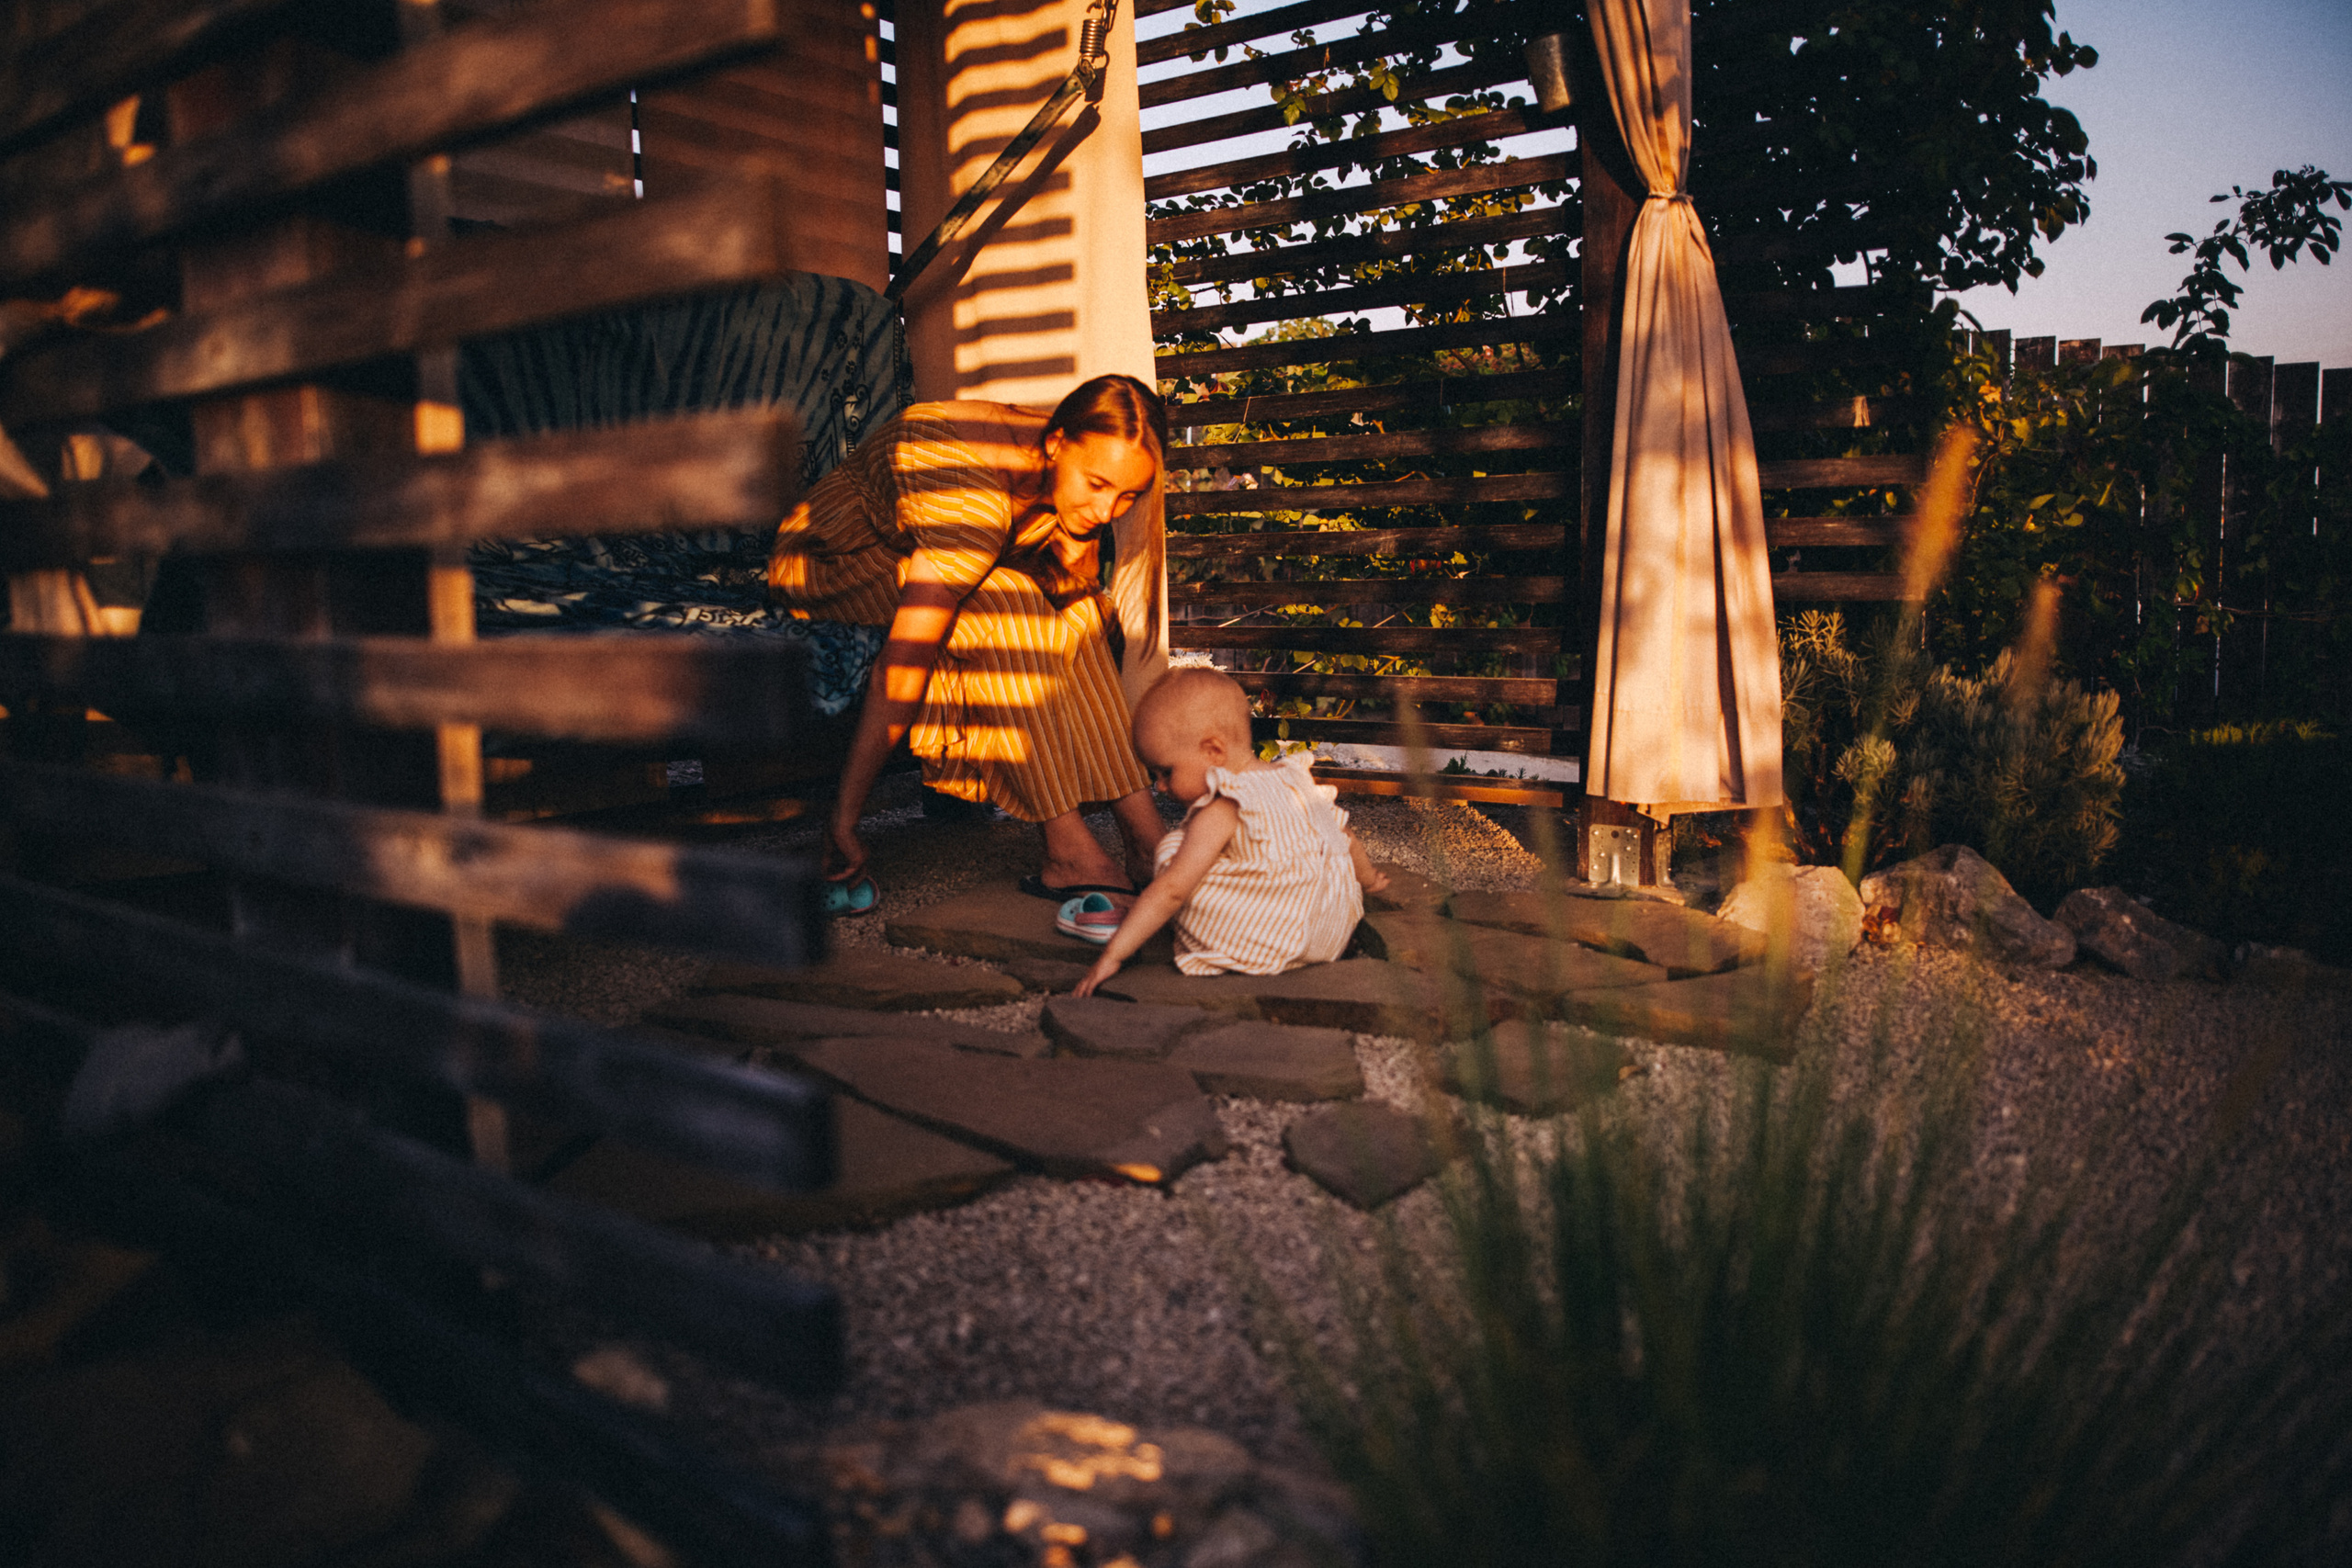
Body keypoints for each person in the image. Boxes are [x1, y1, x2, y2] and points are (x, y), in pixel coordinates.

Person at [767, 373, 1170, 908]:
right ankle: (1068, 852)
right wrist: (844, 815)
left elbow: (1079, 600)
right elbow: (904, 662)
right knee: (1007, 601)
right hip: (829, 565)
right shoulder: (972, 507)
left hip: (927, 551)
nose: (1105, 512)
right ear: (1056, 443)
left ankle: (1148, 842)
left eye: (1127, 495)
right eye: (1096, 486)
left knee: (1078, 618)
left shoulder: (1058, 450)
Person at [1071, 668, 1389, 996]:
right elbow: (1345, 838)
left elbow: (1173, 890)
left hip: (1270, 944)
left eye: (1166, 771)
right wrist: (1368, 880)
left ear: (1213, 751)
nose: (1161, 786)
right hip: (1331, 931)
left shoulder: (1226, 804)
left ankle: (1221, 935)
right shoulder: (1295, 779)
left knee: (1171, 850)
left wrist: (1113, 954)